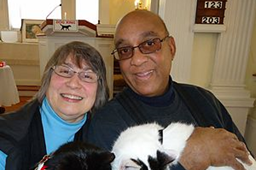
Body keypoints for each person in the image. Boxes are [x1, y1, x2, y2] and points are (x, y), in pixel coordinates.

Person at [86, 10, 252, 170]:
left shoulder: (205, 100)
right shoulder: (106, 123)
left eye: (150, 43)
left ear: (171, 48)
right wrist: (186, 160)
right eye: (124, 50)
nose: (136, 60)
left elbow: (245, 158)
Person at [0, 41, 109, 170]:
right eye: (65, 71)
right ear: (48, 77)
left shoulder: (106, 135)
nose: (73, 83)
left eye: (87, 76)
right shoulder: (5, 136)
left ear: (99, 89)